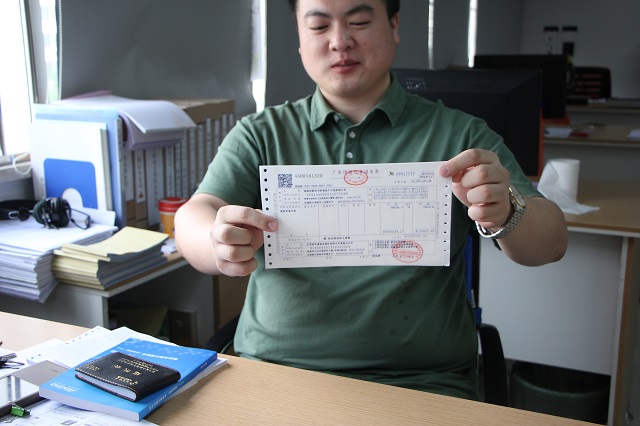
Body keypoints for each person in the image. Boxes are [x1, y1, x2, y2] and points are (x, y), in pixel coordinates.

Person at [175, 0, 568, 400]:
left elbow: (551, 242)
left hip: (421, 385)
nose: (340, 41)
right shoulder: (260, 134)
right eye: (319, 26)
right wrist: (215, 239)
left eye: (359, 21)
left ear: (394, 26)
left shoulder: (459, 136)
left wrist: (506, 211)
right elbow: (196, 213)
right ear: (299, 37)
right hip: (275, 374)